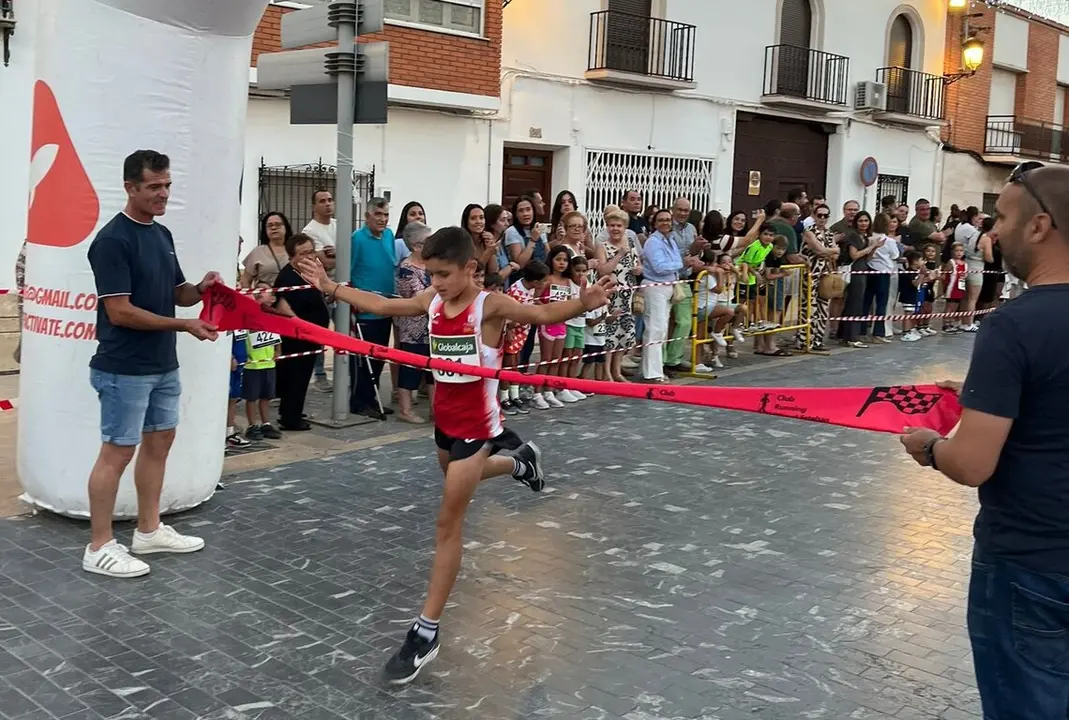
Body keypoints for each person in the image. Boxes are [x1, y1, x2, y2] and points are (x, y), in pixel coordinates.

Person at [295, 225, 612, 684]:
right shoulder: (434, 302)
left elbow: (542, 315)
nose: (436, 283)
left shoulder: (490, 306)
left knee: (447, 523)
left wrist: (584, 302)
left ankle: (425, 632)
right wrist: (330, 287)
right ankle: (520, 462)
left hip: (478, 427)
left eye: (444, 274)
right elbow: (385, 305)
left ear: (470, 268)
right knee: (454, 482)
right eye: (431, 274)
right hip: (443, 422)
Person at [899, 162, 1069, 717]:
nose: (992, 234)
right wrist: (989, 397)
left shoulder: (1014, 324)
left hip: (1032, 563)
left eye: (1000, 219)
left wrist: (928, 445)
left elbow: (972, 463)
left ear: (1040, 226)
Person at [83, 149, 220, 578]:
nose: (163, 194)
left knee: (159, 444)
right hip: (123, 367)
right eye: (154, 187)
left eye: (167, 186)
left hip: (162, 363)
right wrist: (184, 325)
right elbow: (120, 312)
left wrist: (202, 287)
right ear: (131, 188)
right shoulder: (111, 241)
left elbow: (178, 290)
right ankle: (99, 545)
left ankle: (148, 530)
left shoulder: (160, 234)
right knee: (117, 452)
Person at [272, 233, 331, 431]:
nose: (309, 256)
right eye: (303, 253)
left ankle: (294, 410)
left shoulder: (310, 272)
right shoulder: (287, 276)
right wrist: (299, 326)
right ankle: (290, 417)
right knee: (294, 376)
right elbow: (281, 304)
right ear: (292, 257)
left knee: (304, 376)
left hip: (312, 335)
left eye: (311, 251)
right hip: (297, 336)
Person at [349, 198, 397, 420]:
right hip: (365, 310)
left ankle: (372, 397)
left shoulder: (389, 235)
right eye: (378, 214)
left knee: (379, 357)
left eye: (385, 214)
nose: (383, 219)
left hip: (386, 307)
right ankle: (359, 402)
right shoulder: (357, 239)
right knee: (362, 360)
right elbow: (347, 273)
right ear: (367, 216)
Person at [301, 189, 337, 393]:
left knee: (344, 333)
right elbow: (325, 263)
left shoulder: (339, 225)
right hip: (321, 290)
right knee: (321, 334)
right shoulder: (310, 231)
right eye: (322, 201)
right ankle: (320, 374)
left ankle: (342, 372)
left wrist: (336, 253)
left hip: (342, 288)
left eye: (330, 200)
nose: (328, 204)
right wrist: (337, 255)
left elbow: (345, 256)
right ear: (314, 206)